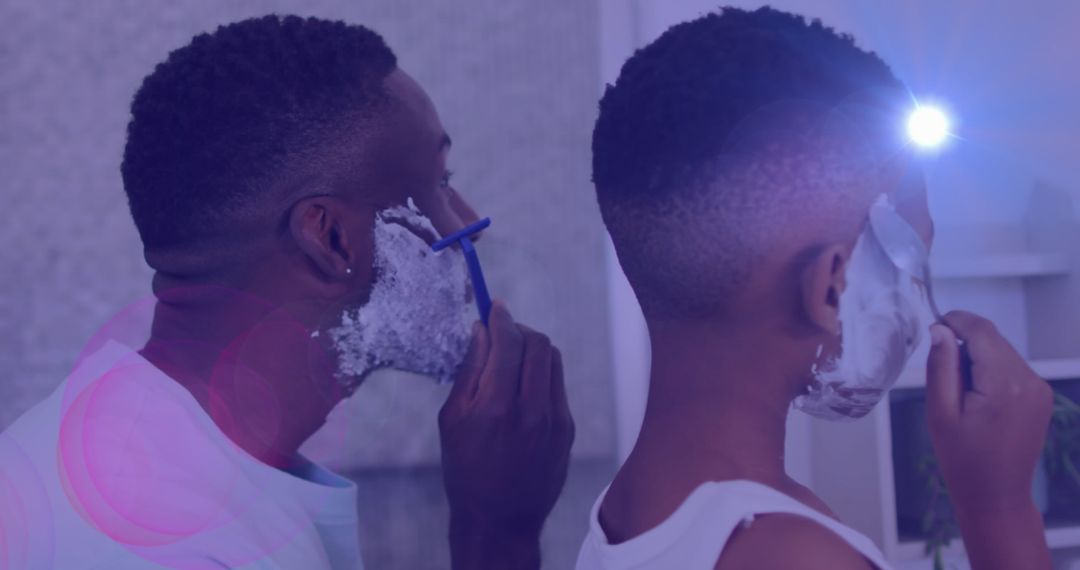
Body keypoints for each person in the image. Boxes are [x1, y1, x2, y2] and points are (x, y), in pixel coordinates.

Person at [0, 15, 573, 570]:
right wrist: (496, 536)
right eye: (442, 184)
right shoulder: (169, 547)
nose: (466, 222)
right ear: (332, 240)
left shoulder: (117, 443)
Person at [576, 7, 1052, 570]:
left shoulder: (626, 513)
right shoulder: (799, 558)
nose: (918, 290)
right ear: (830, 289)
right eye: (910, 253)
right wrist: (999, 510)